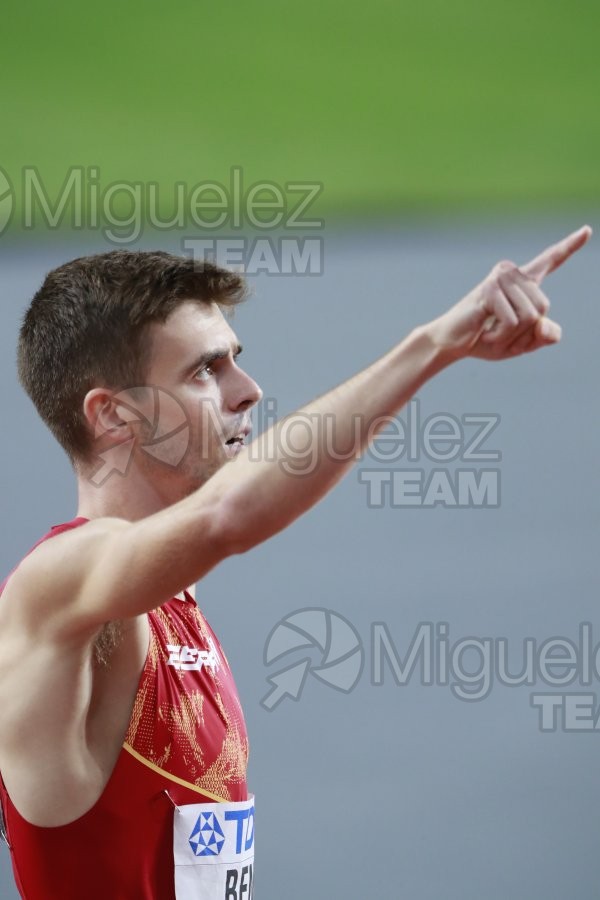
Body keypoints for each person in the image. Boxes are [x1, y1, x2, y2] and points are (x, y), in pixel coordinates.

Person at [0, 225, 592, 899]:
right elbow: (227, 518)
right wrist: (435, 345)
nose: (248, 390)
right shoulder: (56, 591)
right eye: (203, 370)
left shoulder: (171, 602)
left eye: (233, 360)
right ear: (113, 414)